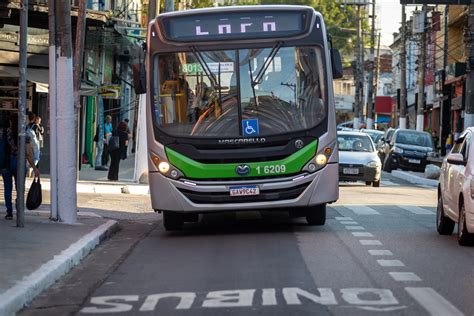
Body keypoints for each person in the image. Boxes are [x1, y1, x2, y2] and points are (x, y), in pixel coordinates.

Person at [2, 115, 39, 220]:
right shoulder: (24, 134)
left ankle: (9, 212)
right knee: (20, 188)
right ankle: (19, 210)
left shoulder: (5, 133)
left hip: (6, 162)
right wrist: (34, 167)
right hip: (19, 162)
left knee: (7, 188)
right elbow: (28, 154)